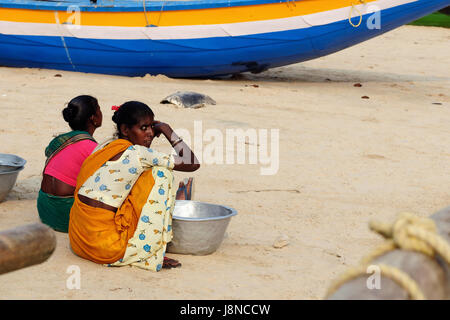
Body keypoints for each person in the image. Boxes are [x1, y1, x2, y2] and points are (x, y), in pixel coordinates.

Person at [68, 101, 200, 271]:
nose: (151, 133)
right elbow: (192, 162)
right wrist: (167, 130)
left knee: (141, 175)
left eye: (152, 127)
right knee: (161, 173)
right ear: (125, 130)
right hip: (106, 248)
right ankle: (151, 250)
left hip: (79, 241)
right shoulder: (139, 154)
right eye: (144, 128)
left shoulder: (104, 146)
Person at [37, 95, 103, 233]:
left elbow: (49, 152)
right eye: (99, 109)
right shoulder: (92, 148)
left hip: (45, 209)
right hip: (66, 214)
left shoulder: (62, 139)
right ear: (93, 118)